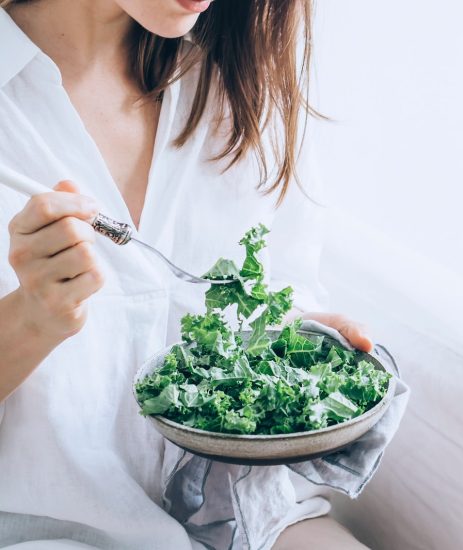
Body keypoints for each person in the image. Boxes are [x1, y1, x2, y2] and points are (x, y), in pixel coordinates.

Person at [0, 0, 372, 548]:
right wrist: (33, 320)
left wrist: (293, 343)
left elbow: (280, 289)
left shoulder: (241, 76)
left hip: (253, 522)